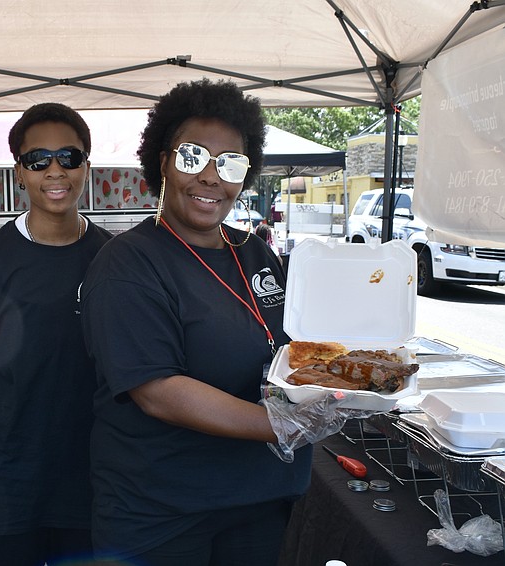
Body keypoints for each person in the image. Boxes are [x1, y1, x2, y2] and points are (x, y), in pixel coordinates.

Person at [80, 79, 314, 565]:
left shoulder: (254, 251)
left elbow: (288, 348)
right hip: (161, 511)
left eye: (230, 163)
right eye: (192, 157)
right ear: (162, 161)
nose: (211, 176)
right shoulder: (127, 263)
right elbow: (158, 391)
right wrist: (284, 425)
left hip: (257, 498)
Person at [0, 102, 112, 566]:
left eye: (68, 157)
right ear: (19, 171)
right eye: (38, 160)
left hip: (90, 487)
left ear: (86, 167)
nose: (54, 171)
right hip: (4, 491)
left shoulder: (114, 260)